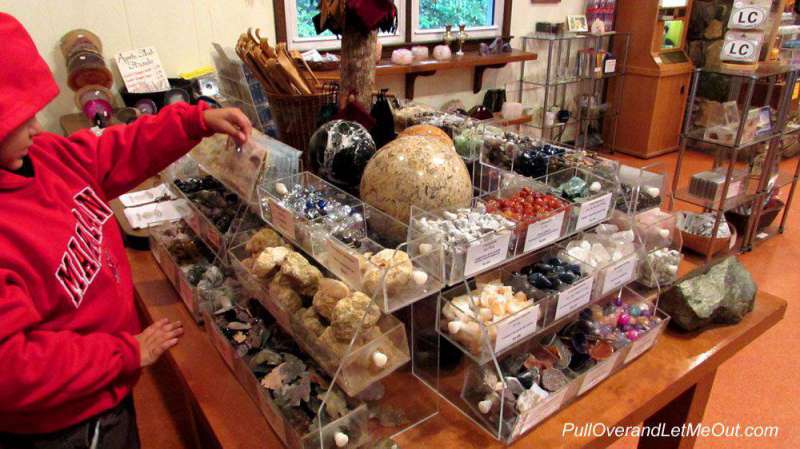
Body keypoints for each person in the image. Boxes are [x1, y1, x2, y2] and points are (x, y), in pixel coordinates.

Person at [0, 13, 252, 449]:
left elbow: (111, 153)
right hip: (67, 422)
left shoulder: (42, 155)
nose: (36, 127)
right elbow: (13, 368)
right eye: (18, 119)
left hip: (106, 382)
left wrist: (194, 122)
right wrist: (126, 353)